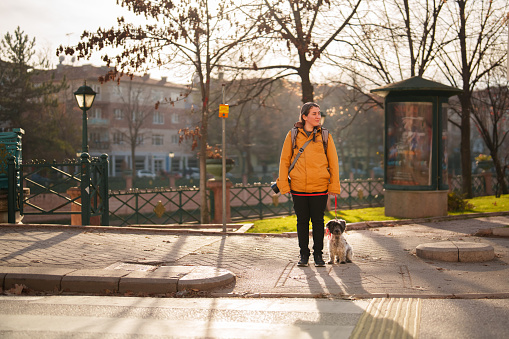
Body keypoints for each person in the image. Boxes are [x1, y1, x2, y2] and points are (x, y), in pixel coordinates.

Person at [276, 102, 341, 267]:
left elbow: (333, 162)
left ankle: (318, 255)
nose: (318, 116)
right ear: (304, 116)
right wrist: (284, 184)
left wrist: (334, 185)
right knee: (302, 222)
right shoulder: (292, 135)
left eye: (319, 113)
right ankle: (303, 255)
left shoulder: (325, 136)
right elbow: (284, 162)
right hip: (298, 188)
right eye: (314, 113)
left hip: (320, 187)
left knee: (318, 222)